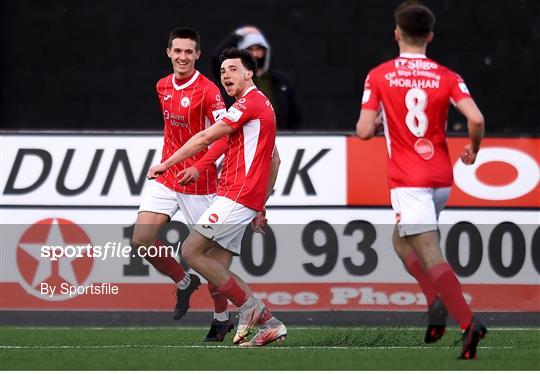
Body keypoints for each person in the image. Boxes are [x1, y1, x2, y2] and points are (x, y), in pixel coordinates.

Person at [355, 2, 487, 359]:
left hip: (408, 178)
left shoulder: (380, 74)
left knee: (428, 251)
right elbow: (475, 118)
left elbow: (364, 130)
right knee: (401, 242)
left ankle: (468, 321)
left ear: (397, 33)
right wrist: (474, 150)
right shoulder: (447, 76)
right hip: (441, 177)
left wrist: (380, 122)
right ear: (430, 36)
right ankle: (436, 303)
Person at [147, 48, 287, 347]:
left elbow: (204, 138)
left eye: (233, 69)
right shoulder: (262, 106)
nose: (226, 75)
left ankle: (248, 308)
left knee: (191, 250)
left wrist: (166, 164)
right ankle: (270, 324)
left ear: (250, 73)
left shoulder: (248, 103)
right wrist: (261, 204)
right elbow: (275, 160)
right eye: (223, 71)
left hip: (236, 195)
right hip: (242, 197)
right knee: (218, 266)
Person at [131, 27, 235, 342]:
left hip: (200, 181)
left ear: (198, 55)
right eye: (177, 51)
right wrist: (170, 164)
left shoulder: (208, 90)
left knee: (209, 259)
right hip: (168, 174)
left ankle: (221, 318)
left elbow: (224, 135)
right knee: (142, 239)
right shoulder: (162, 85)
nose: (182, 57)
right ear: (169, 53)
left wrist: (201, 166)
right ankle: (182, 281)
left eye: (189, 51)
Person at [212, 26, 303, 130]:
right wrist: (238, 34)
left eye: (258, 49)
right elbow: (218, 59)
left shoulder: (281, 81)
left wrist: (292, 137)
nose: (254, 54)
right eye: (250, 50)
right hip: (245, 137)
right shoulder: (235, 78)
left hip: (279, 137)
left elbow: (295, 116)